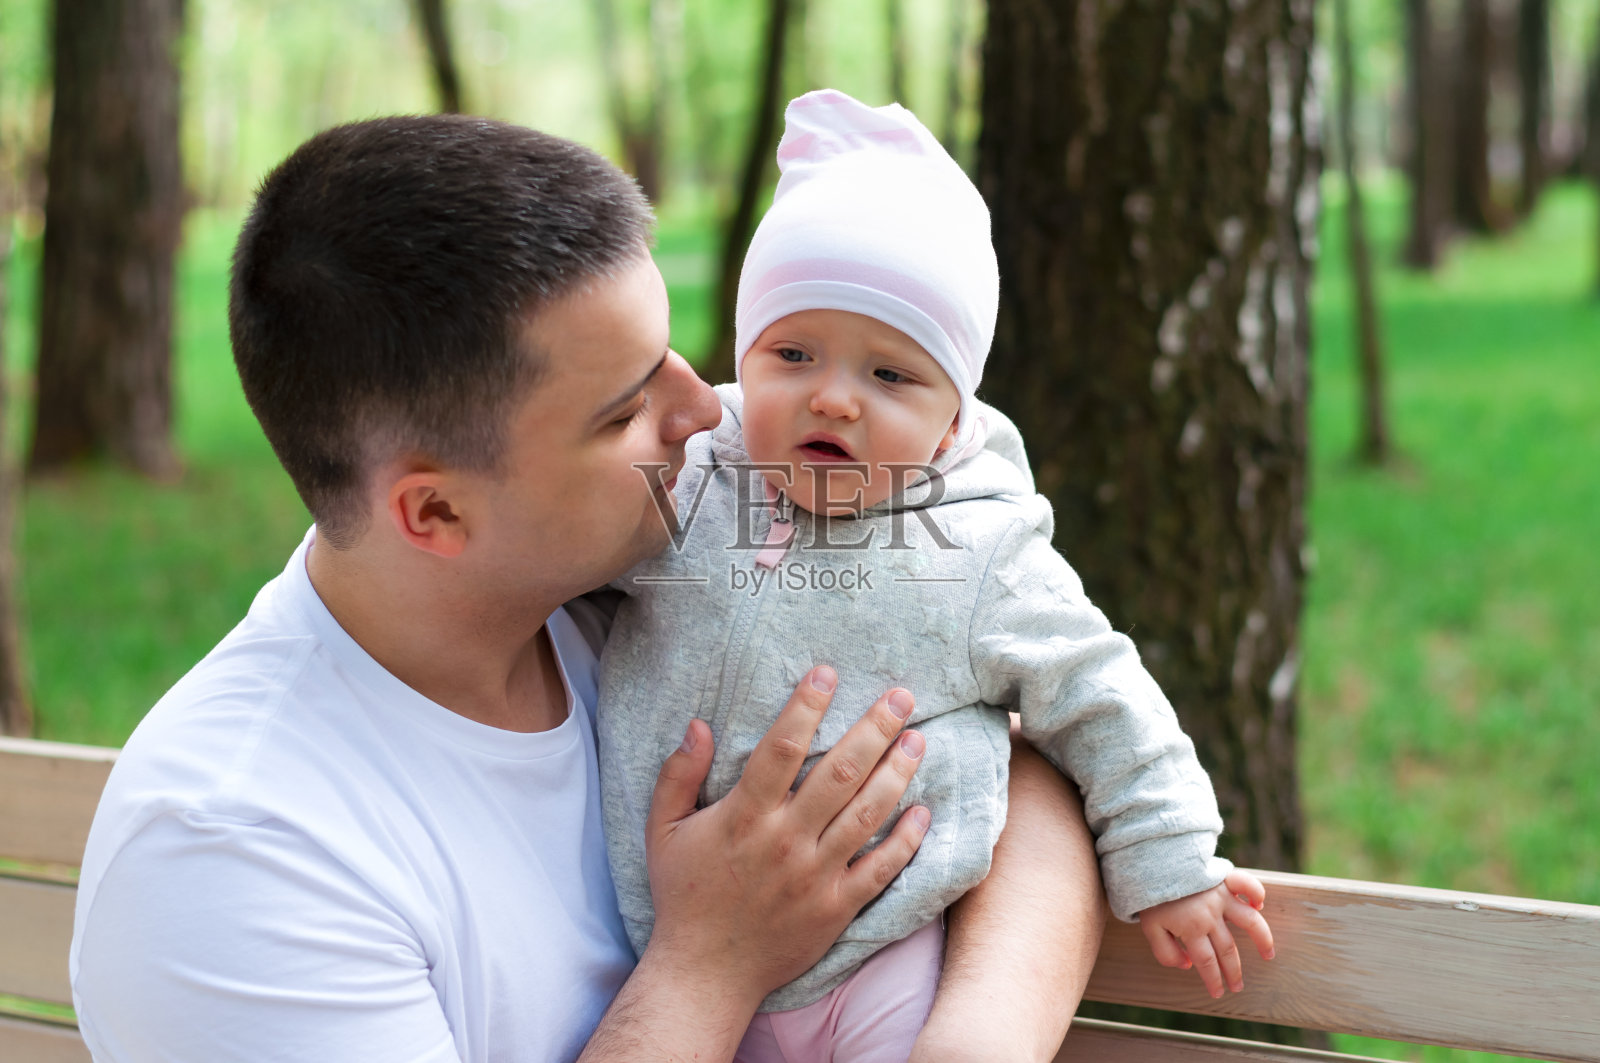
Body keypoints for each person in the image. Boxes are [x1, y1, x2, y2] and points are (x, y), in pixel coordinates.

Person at [68, 114, 1105, 1063]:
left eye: (673, 352)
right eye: (623, 411)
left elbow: (1020, 769)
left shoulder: (626, 595)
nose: (705, 409)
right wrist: (709, 961)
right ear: (435, 513)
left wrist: (977, 1034)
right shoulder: (233, 854)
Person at [597, 90, 1276, 1062]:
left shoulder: (981, 550)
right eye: (793, 353)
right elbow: (557, 555)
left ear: (954, 419)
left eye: (891, 376)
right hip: (674, 961)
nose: (833, 394)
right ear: (744, 355)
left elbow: (1097, 688)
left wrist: (1168, 859)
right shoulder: (692, 475)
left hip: (881, 955)